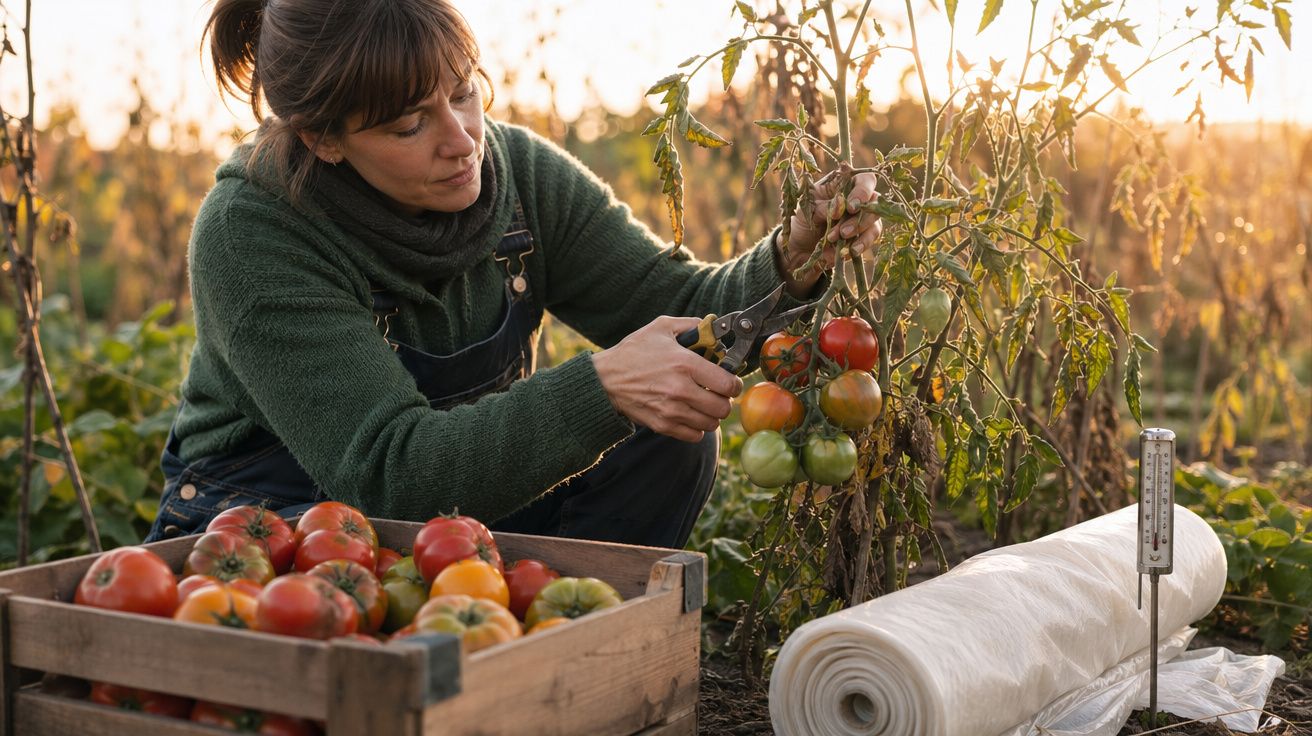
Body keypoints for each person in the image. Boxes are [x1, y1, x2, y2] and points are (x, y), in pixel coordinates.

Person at [144, 0, 881, 550]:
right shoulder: (254, 234)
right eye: (409, 125)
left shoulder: (517, 175)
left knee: (668, 430)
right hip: (272, 528)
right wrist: (599, 389)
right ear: (323, 140)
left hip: (457, 519)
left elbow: (686, 308)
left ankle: (566, 665)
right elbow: (386, 474)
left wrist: (794, 256)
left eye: (464, 91)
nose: (462, 139)